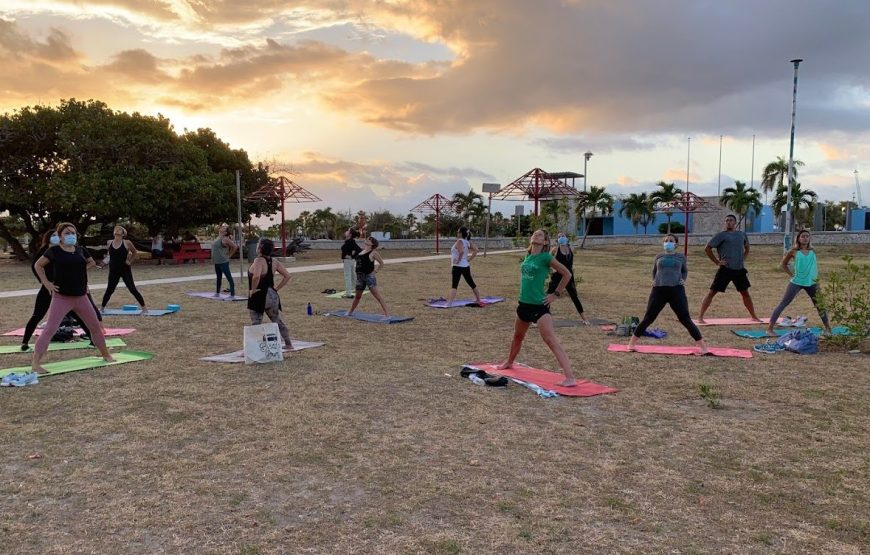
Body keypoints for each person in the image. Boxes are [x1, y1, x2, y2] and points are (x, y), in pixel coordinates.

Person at [31, 223, 113, 373]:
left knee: (95, 326)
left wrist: (79, 272)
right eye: (67, 233)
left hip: (81, 296)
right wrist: (47, 283)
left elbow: (91, 262)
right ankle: (36, 363)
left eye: (73, 233)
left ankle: (106, 355)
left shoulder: (81, 250)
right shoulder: (54, 251)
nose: (71, 235)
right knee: (50, 329)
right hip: (62, 297)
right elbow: (38, 265)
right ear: (60, 236)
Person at [500, 229, 577, 387]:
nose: (536, 235)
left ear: (545, 242)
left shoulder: (546, 257)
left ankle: (570, 378)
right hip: (523, 304)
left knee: (550, 340)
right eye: (535, 234)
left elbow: (567, 274)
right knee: (517, 337)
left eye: (540, 235)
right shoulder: (528, 256)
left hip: (539, 306)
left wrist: (555, 294)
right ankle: (509, 362)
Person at [628, 235, 709, 353]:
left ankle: (703, 347)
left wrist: (683, 279)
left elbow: (684, 270)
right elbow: (654, 271)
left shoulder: (681, 257)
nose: (668, 242)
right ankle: (631, 343)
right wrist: (654, 281)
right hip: (658, 290)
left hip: (676, 290)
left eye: (671, 241)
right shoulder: (659, 256)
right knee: (648, 318)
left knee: (685, 319)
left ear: (676, 244)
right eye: (666, 241)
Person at [21, 230, 96, 351]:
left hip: (65, 290)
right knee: (37, 315)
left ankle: (93, 340)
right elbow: (36, 266)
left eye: (58, 235)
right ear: (48, 238)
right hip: (49, 288)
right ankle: (24, 343)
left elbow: (81, 265)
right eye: (53, 235)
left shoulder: (67, 251)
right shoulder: (47, 251)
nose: (56, 237)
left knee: (77, 314)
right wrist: (46, 283)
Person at [766, 229, 832, 336]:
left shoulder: (812, 250)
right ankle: (769, 329)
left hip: (812, 282)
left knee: (820, 305)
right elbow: (783, 264)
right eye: (803, 236)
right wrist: (791, 274)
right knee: (783, 303)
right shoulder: (793, 251)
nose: (805, 238)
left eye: (807, 236)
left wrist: (816, 281)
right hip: (797, 281)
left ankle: (828, 328)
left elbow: (813, 267)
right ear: (799, 239)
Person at [697, 214, 760, 323]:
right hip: (725, 269)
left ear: (735, 222)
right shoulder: (721, 235)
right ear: (724, 223)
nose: (729, 222)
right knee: (712, 292)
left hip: (739, 269)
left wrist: (743, 258)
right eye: (727, 221)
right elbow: (707, 249)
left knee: (745, 293)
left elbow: (747, 247)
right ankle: (700, 317)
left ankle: (754, 316)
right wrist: (717, 262)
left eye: (731, 220)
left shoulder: (741, 234)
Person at [248, 239, 293, 348]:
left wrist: (253, 290)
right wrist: (276, 288)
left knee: (256, 323)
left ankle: (255, 348)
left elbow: (257, 276)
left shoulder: (258, 260)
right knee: (277, 320)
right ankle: (288, 343)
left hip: (259, 295)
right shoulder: (275, 261)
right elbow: (287, 276)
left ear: (260, 248)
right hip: (272, 295)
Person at [100, 226, 148, 313]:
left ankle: (144, 308)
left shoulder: (127, 242)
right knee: (109, 290)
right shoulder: (109, 242)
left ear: (123, 233)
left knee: (132, 289)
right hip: (113, 270)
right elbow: (109, 256)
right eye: (116, 229)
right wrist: (103, 263)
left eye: (119, 229)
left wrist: (130, 261)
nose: (117, 230)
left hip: (125, 269)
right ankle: (102, 308)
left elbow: (135, 252)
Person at [547, 232, 588, 324]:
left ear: (566, 238)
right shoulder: (555, 250)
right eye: (559, 236)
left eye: (563, 236)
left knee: (574, 296)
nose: (561, 237)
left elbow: (571, 262)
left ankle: (584, 319)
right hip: (557, 276)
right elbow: (548, 260)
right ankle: (539, 318)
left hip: (569, 276)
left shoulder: (571, 249)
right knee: (548, 296)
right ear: (557, 240)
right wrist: (551, 270)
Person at [347, 236, 390, 317]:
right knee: (357, 296)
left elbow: (381, 263)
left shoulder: (373, 252)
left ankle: (387, 314)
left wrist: (375, 271)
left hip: (369, 277)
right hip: (360, 277)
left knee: (377, 296)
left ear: (372, 244)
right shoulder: (362, 251)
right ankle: (350, 312)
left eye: (369, 240)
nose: (367, 240)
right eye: (367, 239)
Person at [446, 226, 483, 307]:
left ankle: (450, 303)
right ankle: (478, 299)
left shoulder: (459, 241)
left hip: (457, 266)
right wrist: (468, 260)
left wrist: (458, 260)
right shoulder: (467, 242)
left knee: (454, 285)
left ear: (461, 233)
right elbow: (476, 250)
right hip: (466, 266)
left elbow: (461, 251)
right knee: (471, 283)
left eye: (458, 231)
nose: (457, 233)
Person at [212, 224, 238, 297]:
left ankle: (232, 294)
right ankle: (217, 293)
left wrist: (229, 255)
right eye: (222, 227)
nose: (222, 227)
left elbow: (235, 247)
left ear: (226, 232)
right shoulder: (217, 237)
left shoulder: (225, 239)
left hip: (223, 262)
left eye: (224, 228)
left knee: (229, 278)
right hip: (217, 262)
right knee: (218, 278)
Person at [340, 228, 362, 298]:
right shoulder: (350, 241)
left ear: (350, 234)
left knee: (348, 276)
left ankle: (349, 294)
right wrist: (353, 256)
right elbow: (358, 249)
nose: (346, 232)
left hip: (348, 261)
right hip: (350, 261)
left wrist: (352, 256)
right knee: (352, 275)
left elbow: (359, 250)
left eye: (347, 231)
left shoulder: (350, 241)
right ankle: (357, 289)